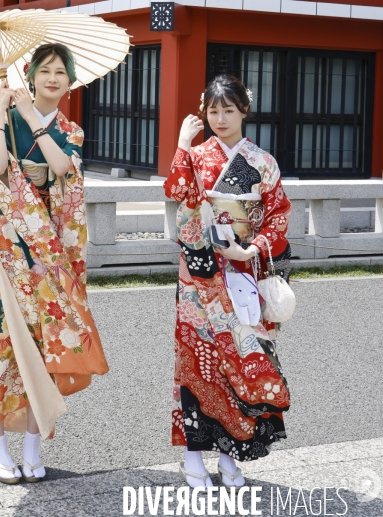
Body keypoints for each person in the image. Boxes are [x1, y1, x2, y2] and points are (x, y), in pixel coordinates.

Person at [0, 43, 109, 485]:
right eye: (45, 70)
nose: (53, 78)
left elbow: (64, 169)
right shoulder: (5, 119)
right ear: (30, 75)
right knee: (0, 344)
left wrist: (33, 119)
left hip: (48, 253)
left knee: (44, 347)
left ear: (70, 82)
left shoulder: (70, 129)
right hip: (6, 249)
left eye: (61, 72)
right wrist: (0, 111)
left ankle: (33, 446)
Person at [164, 74, 292, 488]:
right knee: (199, 362)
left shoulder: (262, 161)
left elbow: (278, 214)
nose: (220, 118)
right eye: (213, 110)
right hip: (200, 274)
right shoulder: (197, 155)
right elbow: (177, 191)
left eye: (229, 110)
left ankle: (231, 457)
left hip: (245, 270)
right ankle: (192, 456)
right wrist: (183, 144)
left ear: (244, 111)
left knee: (241, 362)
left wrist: (251, 248)